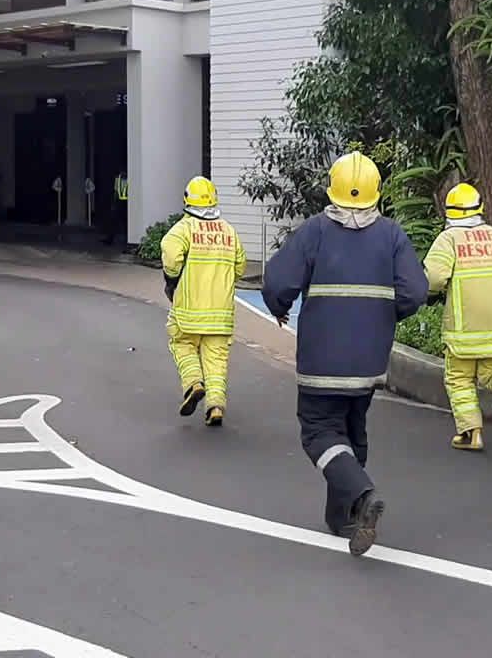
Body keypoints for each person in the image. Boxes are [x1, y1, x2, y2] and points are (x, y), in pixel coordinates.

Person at [262, 151, 428, 556]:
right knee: (352, 430)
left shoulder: (315, 231)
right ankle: (342, 516)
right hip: (369, 361)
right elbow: (415, 291)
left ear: (331, 189)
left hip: (321, 360)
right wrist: (383, 315)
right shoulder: (391, 235)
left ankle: (362, 495)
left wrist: (279, 306)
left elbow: (278, 282)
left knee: (319, 431)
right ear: (377, 192)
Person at [423, 183, 492, 451]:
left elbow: (434, 279)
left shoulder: (449, 239)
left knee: (459, 378)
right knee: (491, 374)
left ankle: (470, 433)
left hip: (464, 332)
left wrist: (426, 291)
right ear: (480, 208)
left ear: (449, 212)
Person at [161, 176, 246, 427]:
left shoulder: (183, 229)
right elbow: (240, 266)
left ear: (187, 200)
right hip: (221, 314)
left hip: (188, 310)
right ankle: (215, 406)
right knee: (217, 359)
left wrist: (172, 280)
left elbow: (170, 256)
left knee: (182, 344)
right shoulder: (229, 231)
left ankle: (193, 383)